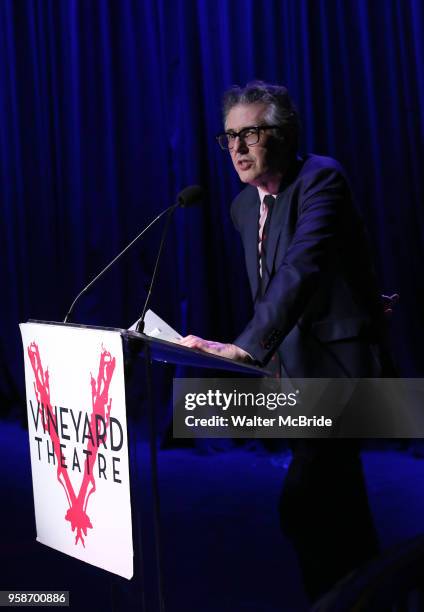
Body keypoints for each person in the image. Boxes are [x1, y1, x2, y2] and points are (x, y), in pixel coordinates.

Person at [180, 81, 393, 602]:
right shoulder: (239, 208)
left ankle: (350, 595)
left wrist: (246, 346)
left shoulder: (321, 178)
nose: (238, 148)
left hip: (341, 371)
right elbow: (268, 293)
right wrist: (256, 359)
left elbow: (302, 270)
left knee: (304, 503)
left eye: (250, 133)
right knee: (338, 509)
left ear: (282, 134)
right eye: (229, 137)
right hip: (293, 376)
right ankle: (364, 594)